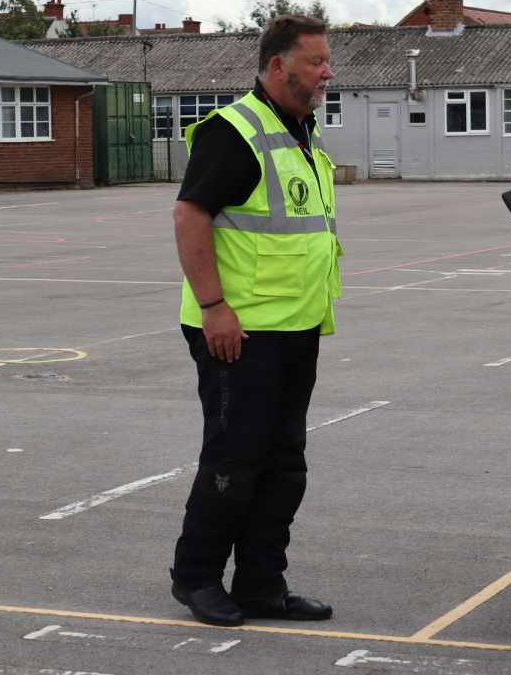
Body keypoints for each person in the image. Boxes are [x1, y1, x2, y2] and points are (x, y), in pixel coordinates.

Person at [169, 14, 341, 627]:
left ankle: (262, 583)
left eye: (326, 61)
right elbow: (190, 216)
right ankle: (196, 579)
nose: (327, 72)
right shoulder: (236, 131)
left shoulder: (300, 133)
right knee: (233, 459)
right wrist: (215, 307)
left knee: (283, 463)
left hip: (293, 329)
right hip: (237, 331)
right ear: (277, 67)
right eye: (316, 62)